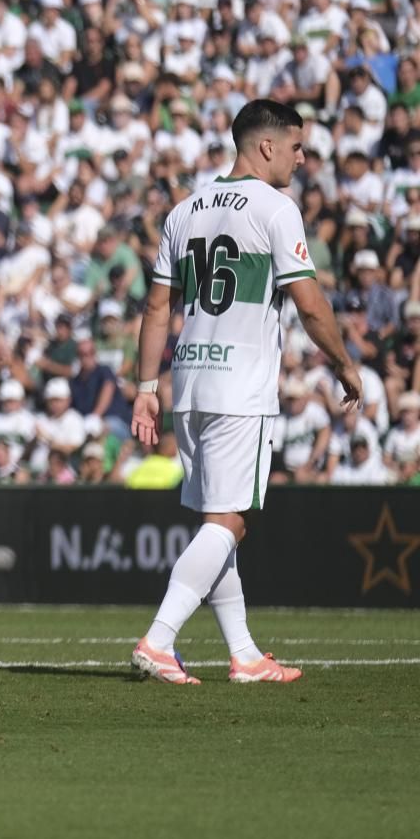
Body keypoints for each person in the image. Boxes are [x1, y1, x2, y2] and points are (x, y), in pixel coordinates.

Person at [130, 100, 361, 685]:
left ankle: (245, 655)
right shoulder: (276, 209)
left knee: (220, 517)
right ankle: (159, 640)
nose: (301, 157)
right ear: (266, 147)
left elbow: (158, 305)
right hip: (241, 384)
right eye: (296, 146)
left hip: (188, 381)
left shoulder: (185, 210)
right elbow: (309, 303)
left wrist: (143, 386)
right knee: (231, 519)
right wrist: (343, 363)